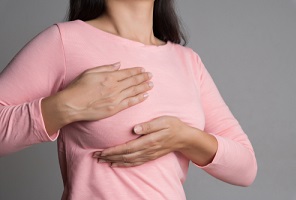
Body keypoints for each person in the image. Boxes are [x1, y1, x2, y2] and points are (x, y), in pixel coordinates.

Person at [0, 0, 257, 199]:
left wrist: (184, 137)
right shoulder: (64, 41)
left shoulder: (187, 61)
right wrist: (65, 107)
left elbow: (246, 168)